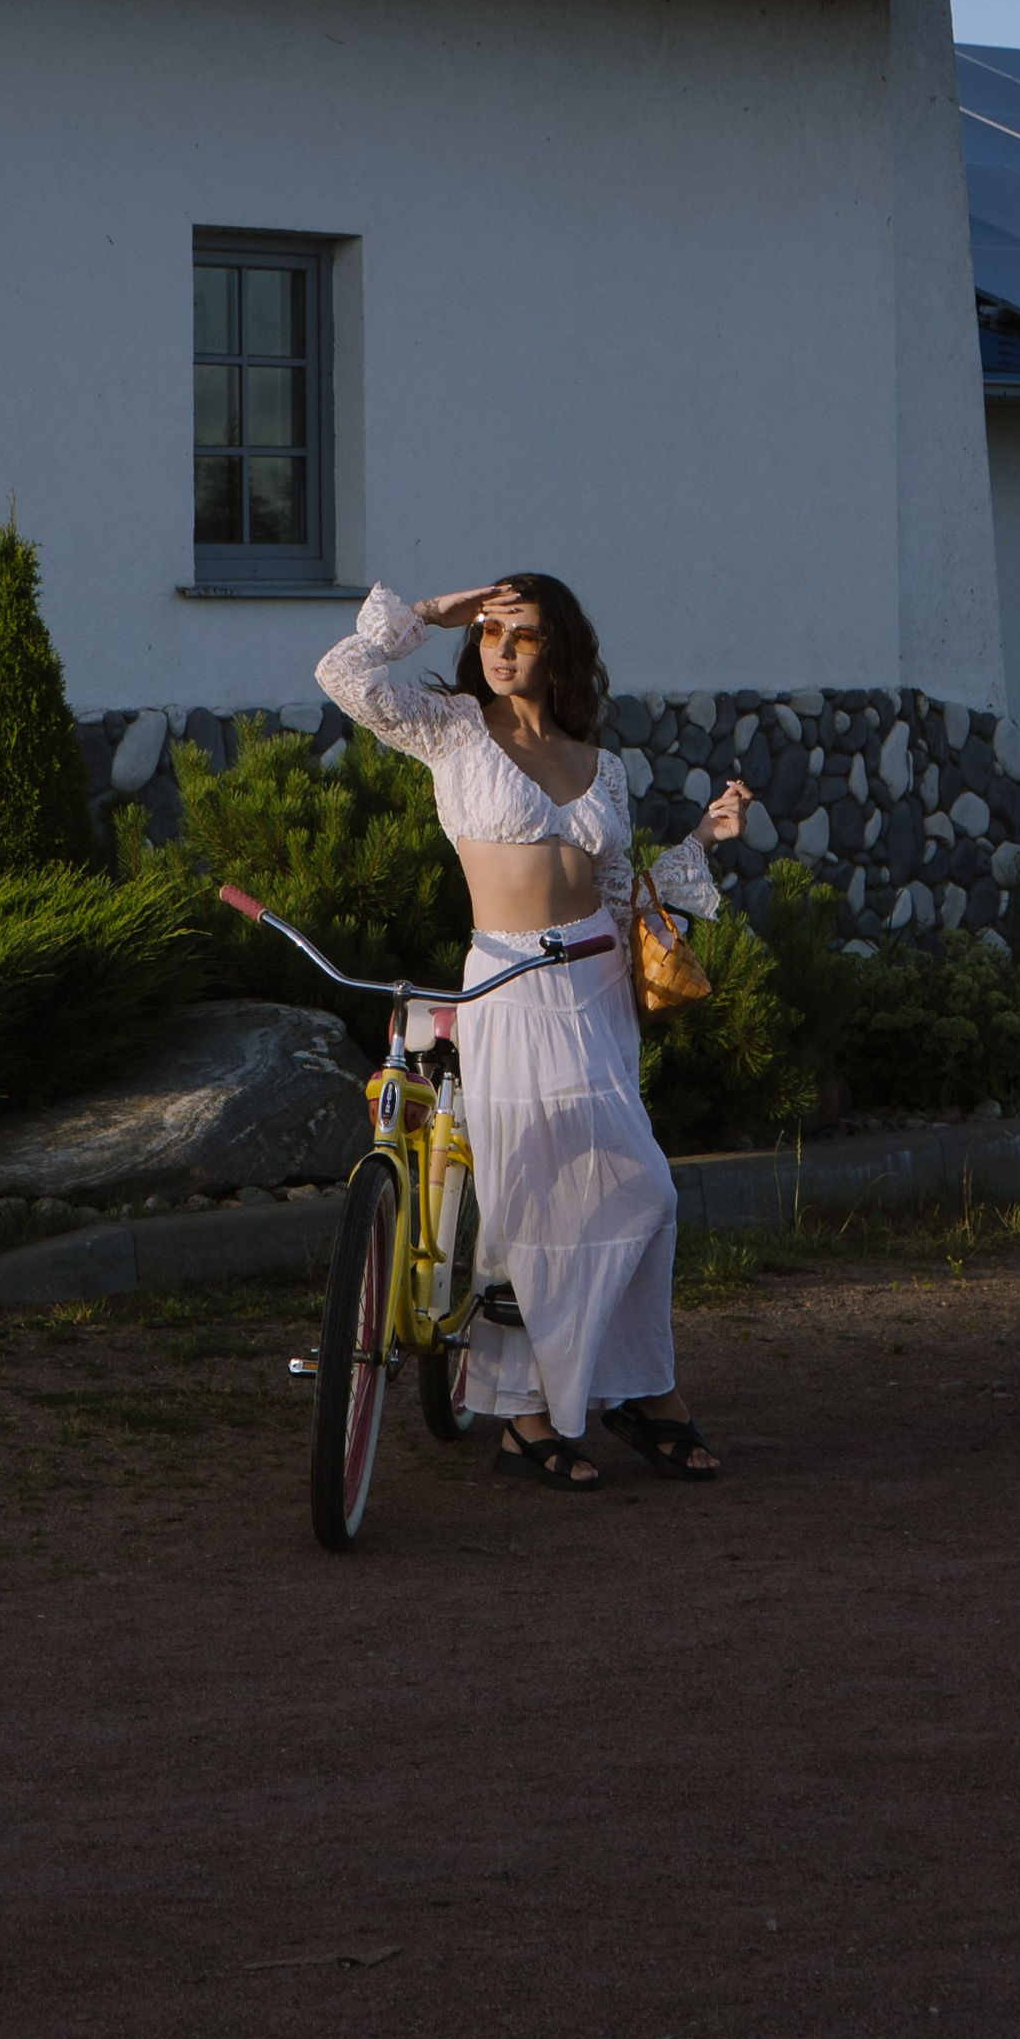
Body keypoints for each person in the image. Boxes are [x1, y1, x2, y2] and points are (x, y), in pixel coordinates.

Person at [315, 576, 748, 1491]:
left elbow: (624, 889)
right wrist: (432, 613)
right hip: (507, 986)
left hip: (596, 988)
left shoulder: (604, 765)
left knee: (642, 1194)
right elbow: (343, 674)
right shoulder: (453, 730)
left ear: (561, 651)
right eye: (493, 634)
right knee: (526, 1206)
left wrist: (703, 842)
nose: (504, 649)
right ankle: (528, 1417)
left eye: (526, 636)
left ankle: (635, 1391)